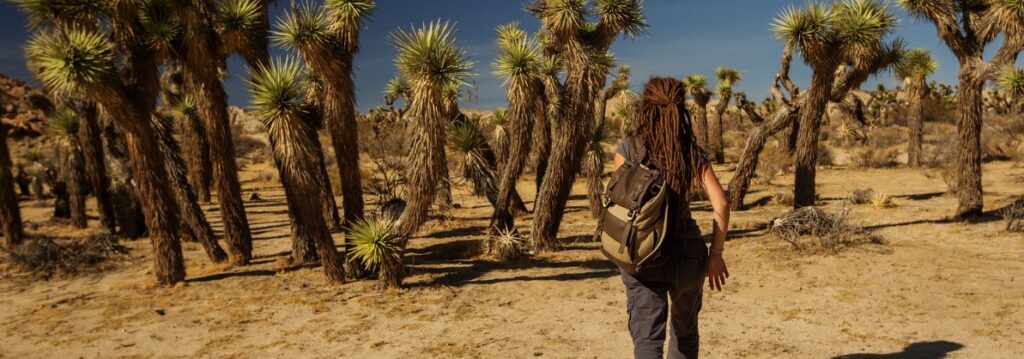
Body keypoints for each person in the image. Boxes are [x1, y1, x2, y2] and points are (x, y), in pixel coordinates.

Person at [612, 77, 730, 359]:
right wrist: (716, 253)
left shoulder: (628, 150)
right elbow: (722, 203)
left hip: (643, 255)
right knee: (685, 333)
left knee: (648, 339)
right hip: (688, 255)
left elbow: (617, 203)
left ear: (646, 107)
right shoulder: (691, 152)